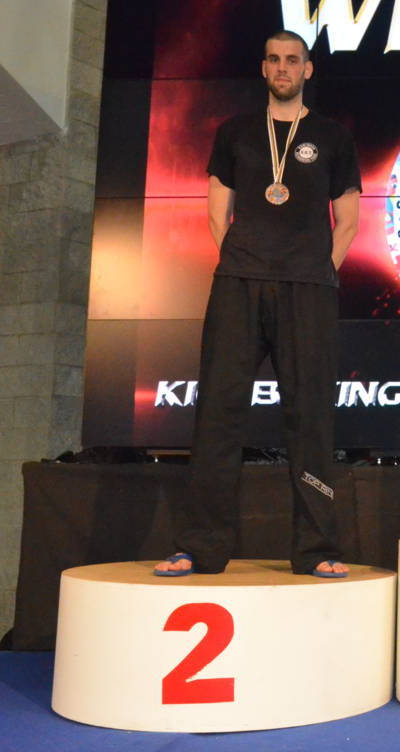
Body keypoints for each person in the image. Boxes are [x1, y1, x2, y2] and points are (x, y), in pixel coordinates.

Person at [155, 30, 360, 578]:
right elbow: (216, 213)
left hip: (307, 290)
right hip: (239, 283)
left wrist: (318, 271)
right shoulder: (236, 132)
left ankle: (317, 549)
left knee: (310, 418)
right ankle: (199, 547)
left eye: (293, 60)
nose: (283, 67)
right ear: (263, 68)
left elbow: (348, 220)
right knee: (218, 414)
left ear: (308, 69)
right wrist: (244, 259)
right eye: (274, 59)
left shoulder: (333, 136)